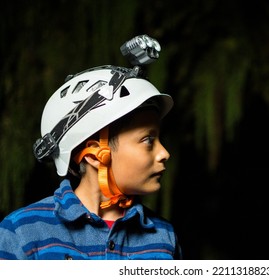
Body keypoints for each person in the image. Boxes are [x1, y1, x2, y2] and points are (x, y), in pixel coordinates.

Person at [0, 35, 182, 260]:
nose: (164, 153)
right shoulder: (22, 233)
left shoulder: (163, 238)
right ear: (96, 154)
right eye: (147, 140)